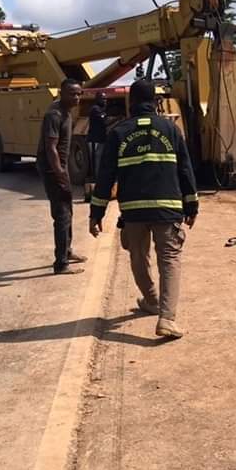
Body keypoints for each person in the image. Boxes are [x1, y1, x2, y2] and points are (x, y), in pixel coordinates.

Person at [89, 79, 199, 339]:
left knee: (138, 257)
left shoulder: (118, 133)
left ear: (131, 102)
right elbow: (185, 169)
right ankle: (166, 318)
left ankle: (150, 299)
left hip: (134, 211)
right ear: (156, 102)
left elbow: (105, 177)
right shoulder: (171, 130)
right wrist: (192, 203)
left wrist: (96, 213)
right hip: (167, 208)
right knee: (169, 260)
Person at [37, 78, 87, 275]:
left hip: (60, 166)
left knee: (67, 211)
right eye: (72, 94)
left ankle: (67, 250)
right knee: (62, 214)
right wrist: (60, 174)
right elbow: (50, 148)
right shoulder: (54, 114)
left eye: (78, 94)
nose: (76, 97)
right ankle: (61, 263)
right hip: (52, 167)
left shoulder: (66, 111)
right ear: (61, 93)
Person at [87, 91, 107, 180]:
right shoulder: (95, 109)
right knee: (96, 159)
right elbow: (104, 121)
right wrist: (117, 119)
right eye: (103, 99)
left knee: (100, 158)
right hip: (95, 140)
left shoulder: (102, 109)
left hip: (101, 139)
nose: (105, 100)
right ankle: (96, 178)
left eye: (106, 99)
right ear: (97, 99)